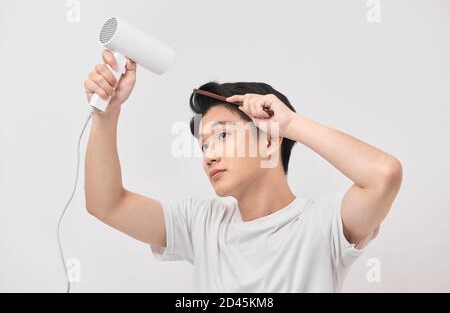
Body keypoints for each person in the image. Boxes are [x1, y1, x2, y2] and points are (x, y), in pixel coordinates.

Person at [83, 49, 402, 292]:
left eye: (222, 135)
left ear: (268, 144)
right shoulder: (201, 224)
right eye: (204, 145)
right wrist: (106, 115)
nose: (208, 155)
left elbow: (383, 175)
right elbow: (106, 203)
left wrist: (291, 124)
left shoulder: (324, 225)